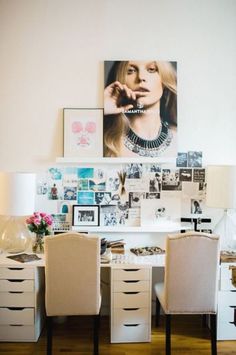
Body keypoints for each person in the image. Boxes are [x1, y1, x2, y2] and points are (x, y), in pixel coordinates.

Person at [104, 60, 177, 157]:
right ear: (119, 80)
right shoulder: (104, 141)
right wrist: (102, 108)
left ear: (164, 80)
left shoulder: (180, 138)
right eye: (130, 71)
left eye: (151, 69)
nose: (141, 77)